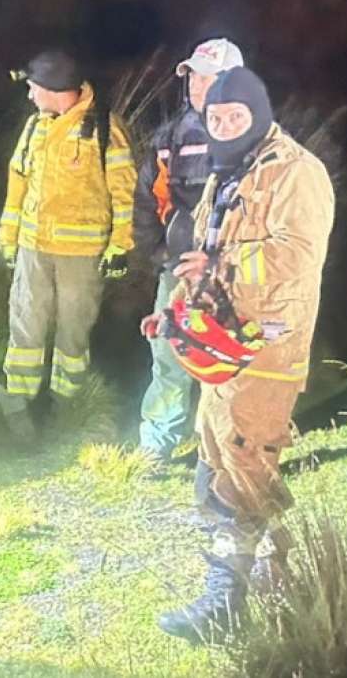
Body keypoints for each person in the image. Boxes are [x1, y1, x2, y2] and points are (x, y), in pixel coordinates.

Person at [152, 66, 334, 643]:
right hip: (222, 346)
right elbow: (206, 249)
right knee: (217, 460)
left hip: (267, 348)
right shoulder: (228, 173)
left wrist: (222, 266)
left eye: (237, 116)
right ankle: (272, 582)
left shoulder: (297, 172)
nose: (226, 125)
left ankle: (229, 601)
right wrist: (176, 310)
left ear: (261, 113)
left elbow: (296, 256)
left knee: (245, 464)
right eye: (217, 118)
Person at [0, 49, 137, 439]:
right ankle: (18, 404)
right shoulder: (34, 127)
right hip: (32, 248)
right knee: (25, 323)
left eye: (32, 88)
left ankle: (66, 406)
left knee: (73, 331)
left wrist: (119, 246)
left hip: (81, 254)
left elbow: (123, 193)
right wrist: (8, 238)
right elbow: (17, 185)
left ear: (53, 88)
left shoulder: (106, 128)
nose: (29, 96)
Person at [132, 39, 244, 461]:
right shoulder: (170, 136)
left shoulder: (254, 137)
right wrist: (160, 253)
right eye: (192, 75)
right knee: (169, 354)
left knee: (230, 358)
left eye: (206, 75)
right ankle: (157, 443)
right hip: (178, 272)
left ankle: (230, 447)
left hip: (234, 273)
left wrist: (231, 261)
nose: (196, 83)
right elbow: (146, 198)